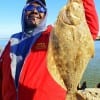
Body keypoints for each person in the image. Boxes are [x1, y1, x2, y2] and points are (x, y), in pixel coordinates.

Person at [0, 0, 99, 100]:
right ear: (24, 12)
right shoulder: (12, 40)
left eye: (40, 9)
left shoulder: (53, 35)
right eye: (30, 8)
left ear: (46, 14)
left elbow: (90, 32)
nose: (35, 11)